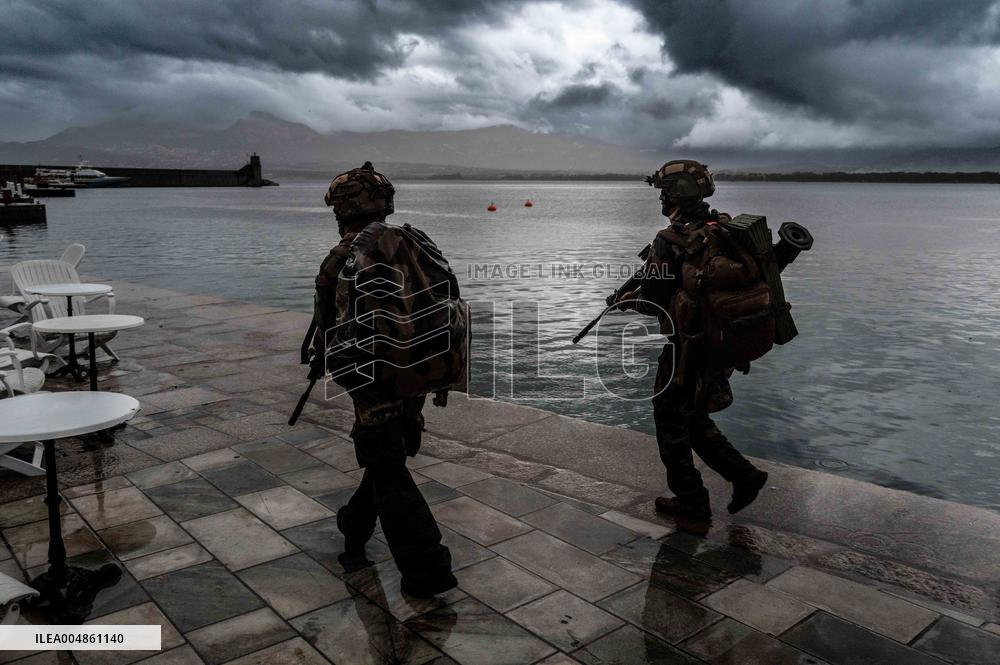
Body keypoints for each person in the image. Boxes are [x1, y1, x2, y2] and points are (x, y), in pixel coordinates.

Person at [311, 162, 457, 597]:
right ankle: (354, 524)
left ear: (340, 210)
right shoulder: (414, 241)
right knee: (386, 456)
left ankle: (427, 569)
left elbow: (327, 324)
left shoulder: (341, 259)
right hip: (420, 370)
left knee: (386, 465)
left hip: (373, 378)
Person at [627, 160, 768, 521]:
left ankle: (691, 499)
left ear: (677, 192)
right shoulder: (722, 226)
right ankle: (744, 476)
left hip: (687, 346)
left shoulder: (669, 240)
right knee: (689, 415)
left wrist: (626, 301)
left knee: (669, 418)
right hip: (721, 340)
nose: (660, 198)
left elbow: (652, 299)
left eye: (664, 190)